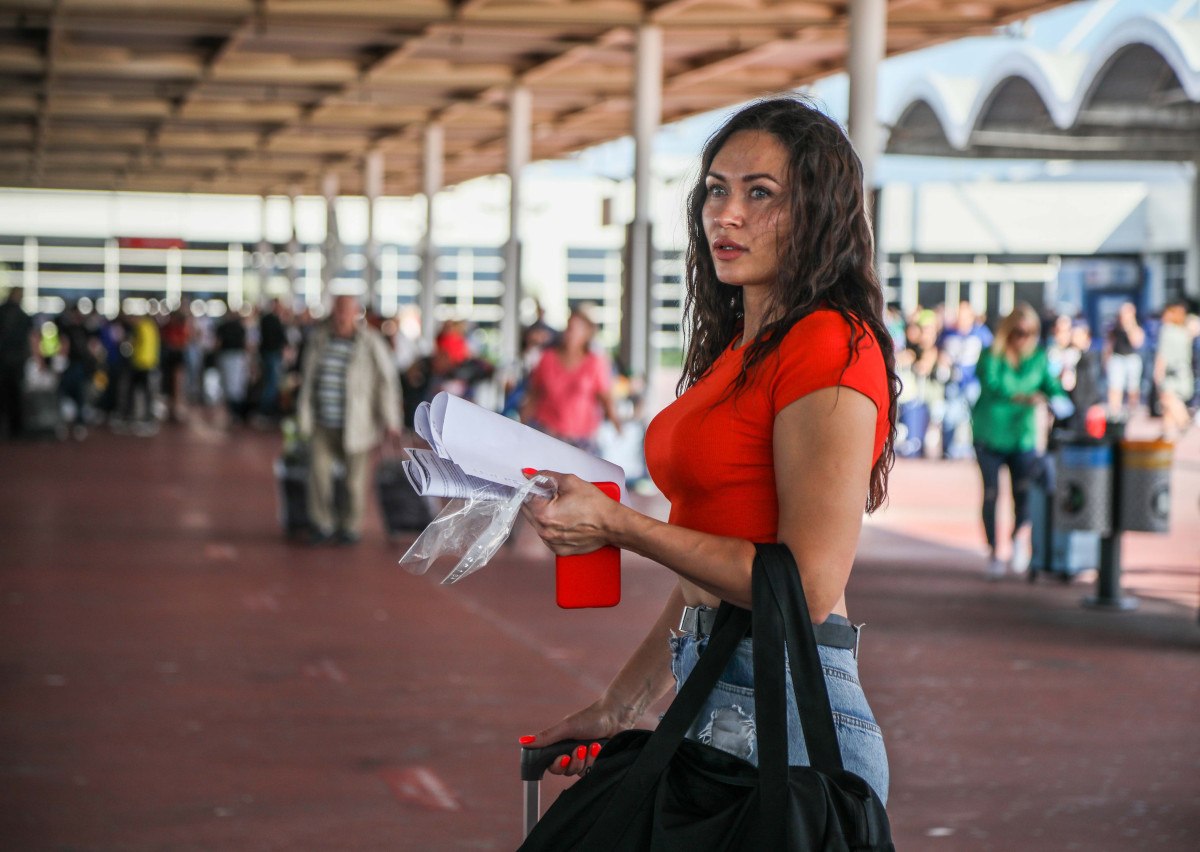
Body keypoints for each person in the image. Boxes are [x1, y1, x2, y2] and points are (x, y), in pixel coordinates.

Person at [518, 97, 897, 804]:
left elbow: (807, 587)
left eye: (761, 194)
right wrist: (620, 707)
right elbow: (711, 575)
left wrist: (619, 525)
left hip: (785, 708)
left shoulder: (829, 344)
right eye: (716, 191)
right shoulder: (743, 352)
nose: (727, 214)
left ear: (819, 212)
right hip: (717, 683)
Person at [970, 303, 1070, 580]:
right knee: (991, 493)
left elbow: (1051, 386)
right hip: (990, 433)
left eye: (1029, 333)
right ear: (1007, 331)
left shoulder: (1038, 358)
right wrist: (1027, 397)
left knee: (1024, 494)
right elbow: (994, 385)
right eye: (1018, 332)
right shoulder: (990, 355)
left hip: (1022, 437)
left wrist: (1061, 399)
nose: (1023, 338)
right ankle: (994, 550)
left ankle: (1017, 538)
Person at [297, 293, 401, 545]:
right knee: (318, 476)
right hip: (323, 422)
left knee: (354, 481)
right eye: (338, 310)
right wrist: (303, 416)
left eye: (346, 310)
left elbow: (387, 382)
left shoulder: (371, 342)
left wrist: (392, 421)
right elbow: (308, 380)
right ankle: (322, 524)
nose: (341, 315)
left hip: (358, 424)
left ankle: (350, 527)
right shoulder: (319, 339)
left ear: (356, 313)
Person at [521, 306, 619, 453]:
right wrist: (521, 426)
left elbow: (606, 399)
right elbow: (534, 394)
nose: (569, 332)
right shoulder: (547, 358)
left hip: (582, 440)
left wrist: (618, 428)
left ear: (586, 333)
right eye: (568, 327)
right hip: (547, 434)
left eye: (575, 329)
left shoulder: (596, 362)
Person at [937, 301, 992, 459]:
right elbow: (938, 350)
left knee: (975, 417)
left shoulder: (981, 333)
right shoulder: (948, 333)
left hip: (974, 382)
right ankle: (948, 451)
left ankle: (977, 448)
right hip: (954, 381)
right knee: (950, 416)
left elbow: (991, 354)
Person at [1153, 301, 1194, 441]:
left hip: (1170, 373)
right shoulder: (1185, 331)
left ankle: (1184, 422)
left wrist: (1157, 373)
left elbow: (1162, 355)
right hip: (1184, 373)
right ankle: (1166, 433)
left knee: (1168, 399)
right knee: (1168, 406)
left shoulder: (1167, 330)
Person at [0, 287, 33, 439]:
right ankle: (16, 429)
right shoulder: (23, 316)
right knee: (16, 396)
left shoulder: (3, 311)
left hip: (4, 360)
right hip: (16, 361)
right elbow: (29, 339)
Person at [1105, 301, 1144, 419]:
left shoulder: (1136, 326)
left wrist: (1129, 325)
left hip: (1131, 358)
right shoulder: (1114, 327)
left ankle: (1132, 410)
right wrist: (1106, 360)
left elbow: (1137, 342)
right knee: (1115, 386)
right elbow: (1109, 345)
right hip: (1117, 358)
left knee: (1133, 387)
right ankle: (1115, 412)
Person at [257, 298, 288, 418]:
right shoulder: (271, 320)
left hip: (269, 354)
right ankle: (266, 410)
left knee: (270, 382)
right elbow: (278, 337)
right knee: (272, 383)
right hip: (271, 354)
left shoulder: (268, 319)